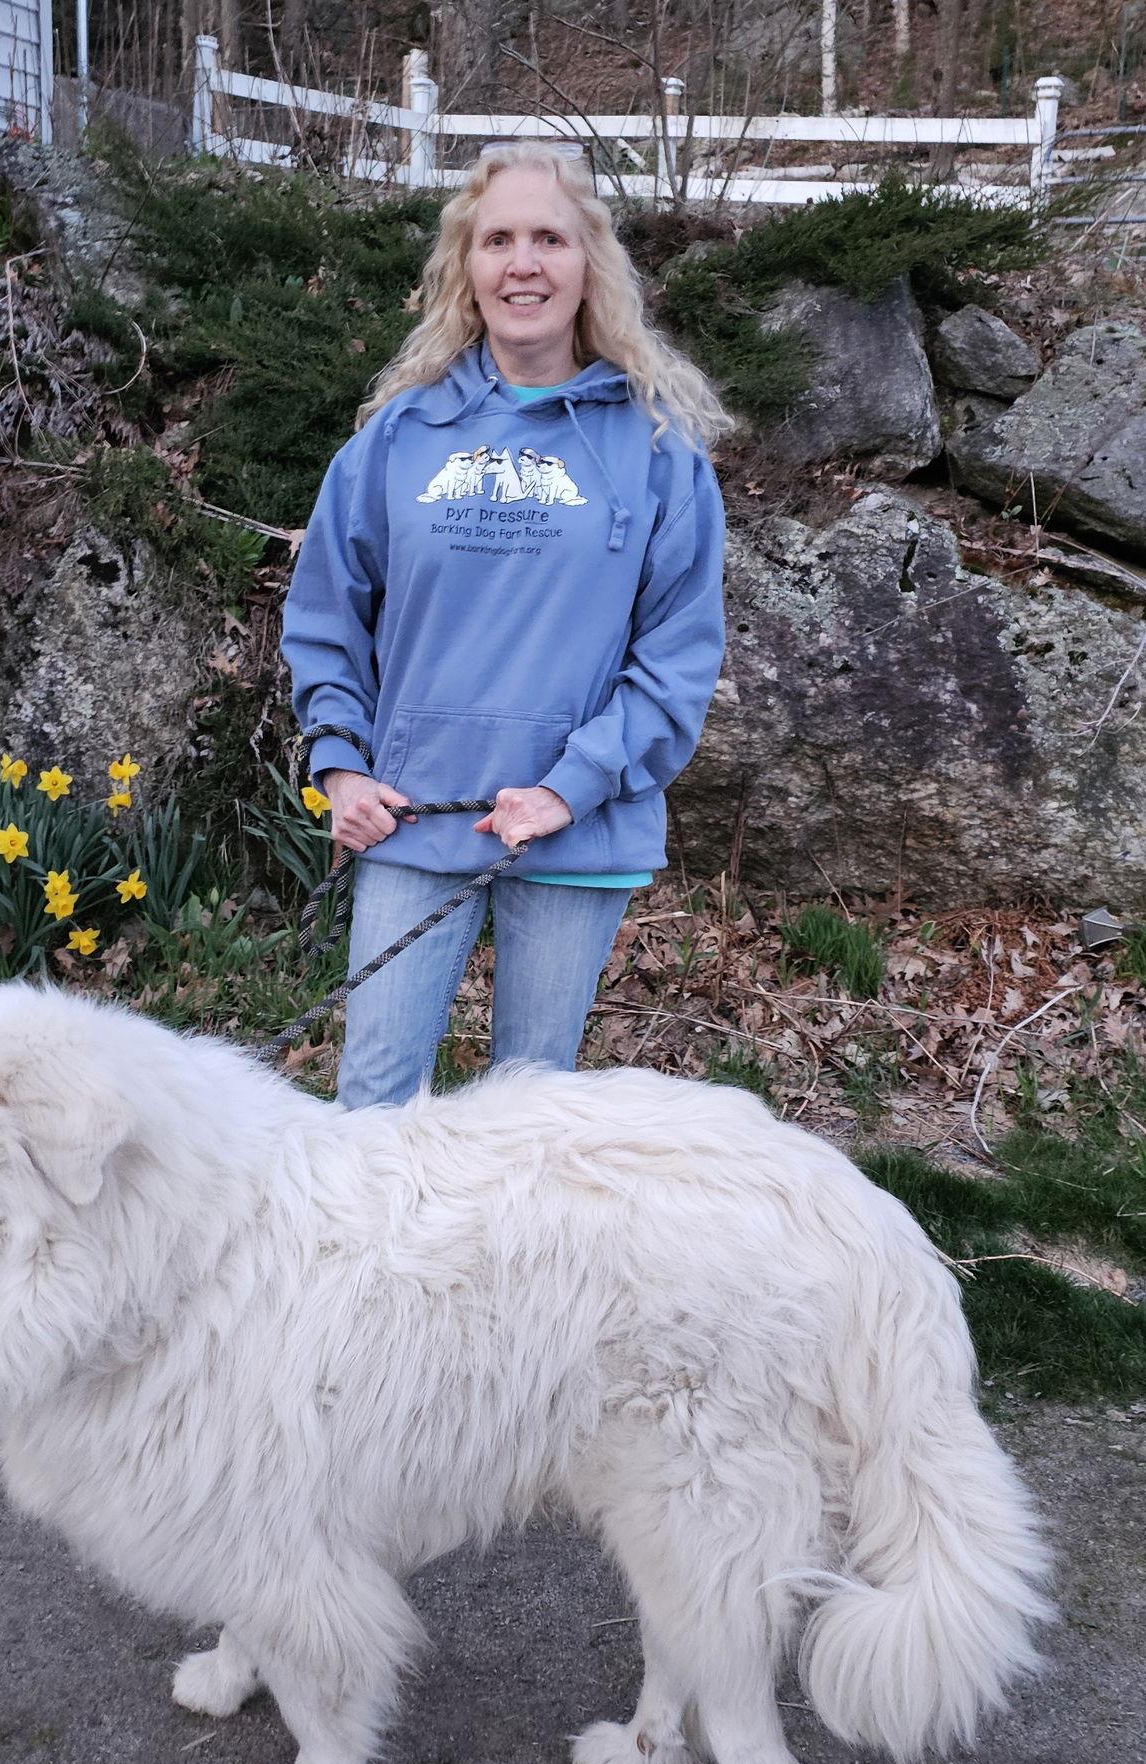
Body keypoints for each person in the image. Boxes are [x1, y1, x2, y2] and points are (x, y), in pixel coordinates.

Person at [282, 138, 730, 1108]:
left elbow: (677, 658)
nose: (523, 263)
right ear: (467, 266)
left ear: (589, 263)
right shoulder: (399, 438)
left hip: (576, 830)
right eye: (498, 240)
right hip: (415, 817)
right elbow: (325, 616)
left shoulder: (657, 451)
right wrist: (341, 763)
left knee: (530, 1120)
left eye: (549, 239)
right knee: (372, 1110)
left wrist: (570, 787)